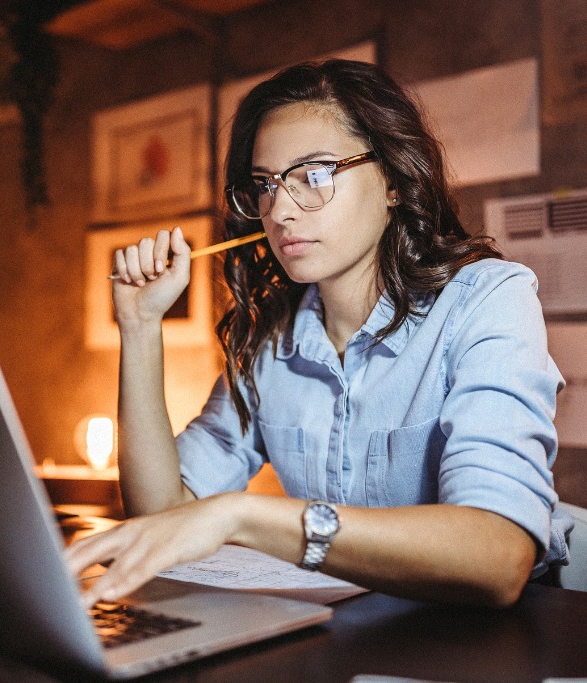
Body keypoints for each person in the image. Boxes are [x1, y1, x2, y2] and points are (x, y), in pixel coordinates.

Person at [65, 59, 572, 609]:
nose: (280, 210)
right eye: (265, 184)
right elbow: (161, 520)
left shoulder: (487, 300)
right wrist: (139, 329)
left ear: (395, 182)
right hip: (346, 640)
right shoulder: (270, 341)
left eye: (316, 173)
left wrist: (240, 515)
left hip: (487, 644)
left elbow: (497, 558)